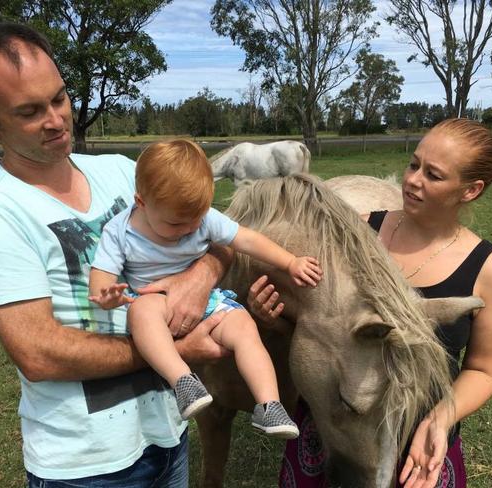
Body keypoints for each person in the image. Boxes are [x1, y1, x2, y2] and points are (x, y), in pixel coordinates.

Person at [0, 22, 234, 487]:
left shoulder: (124, 173)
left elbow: (223, 238)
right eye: (29, 111)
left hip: (167, 436)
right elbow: (39, 354)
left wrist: (199, 277)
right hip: (86, 467)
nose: (57, 120)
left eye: (59, 99)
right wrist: (175, 353)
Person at [248, 118, 492, 488]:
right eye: (413, 164)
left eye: (433, 175)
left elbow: (484, 370)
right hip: (336, 422)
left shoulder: (489, 271)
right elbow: (321, 324)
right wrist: (274, 319)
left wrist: (439, 420)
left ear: (470, 190)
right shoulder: (356, 233)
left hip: (421, 439)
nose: (412, 180)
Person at [88, 139, 323, 438]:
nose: (189, 229)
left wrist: (290, 262)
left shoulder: (203, 220)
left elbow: (247, 240)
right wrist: (107, 295)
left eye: (196, 219)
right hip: (154, 302)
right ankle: (183, 381)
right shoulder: (119, 231)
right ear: (141, 202)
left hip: (208, 299)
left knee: (245, 327)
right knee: (142, 311)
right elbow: (101, 275)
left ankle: (269, 405)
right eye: (176, 224)